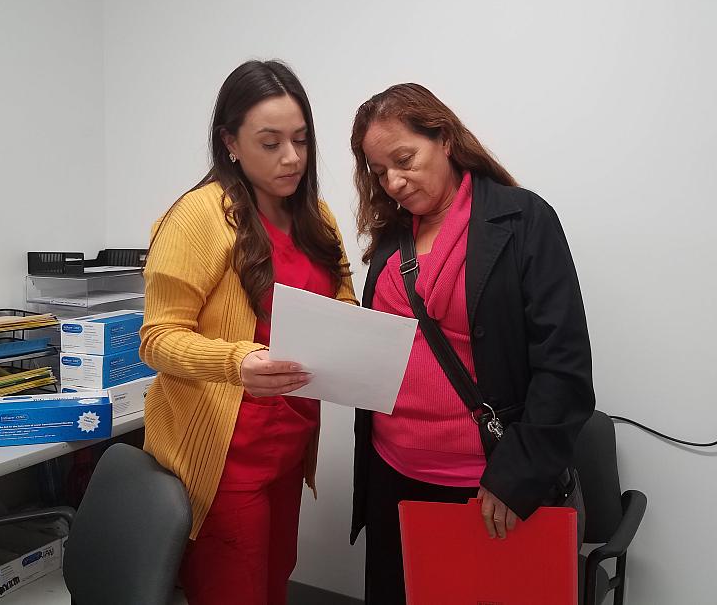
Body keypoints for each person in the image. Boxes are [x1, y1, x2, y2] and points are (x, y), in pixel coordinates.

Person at [348, 83, 595, 604]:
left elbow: (564, 363)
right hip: (393, 478)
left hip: (488, 488)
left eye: (404, 159)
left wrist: (516, 476)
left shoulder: (524, 219)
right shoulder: (391, 239)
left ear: (445, 139)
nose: (393, 181)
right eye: (378, 170)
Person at [140, 60, 357, 605]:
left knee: (275, 577)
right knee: (233, 589)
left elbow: (342, 303)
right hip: (225, 454)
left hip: (290, 441)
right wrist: (236, 362)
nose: (292, 158)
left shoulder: (317, 217)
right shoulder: (198, 217)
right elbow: (157, 338)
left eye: (302, 140)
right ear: (230, 143)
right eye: (271, 142)